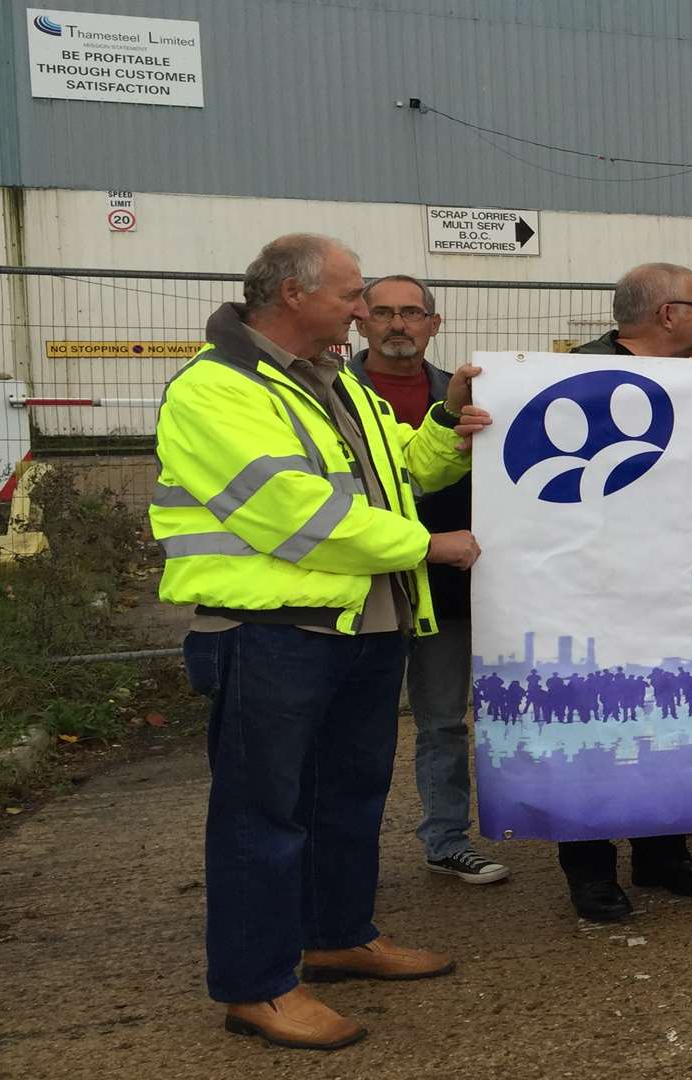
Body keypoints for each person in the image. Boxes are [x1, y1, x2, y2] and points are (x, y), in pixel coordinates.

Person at [153, 234, 490, 1051]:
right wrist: (427, 547)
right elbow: (291, 511)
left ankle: (338, 935)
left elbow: (401, 470)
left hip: (358, 629)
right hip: (272, 633)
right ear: (294, 295)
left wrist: (448, 422)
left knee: (347, 799)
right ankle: (257, 987)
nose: (364, 311)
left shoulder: (331, 381)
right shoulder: (218, 389)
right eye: (352, 296)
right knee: (262, 815)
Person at [561, 263, 692, 920]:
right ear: (669, 314)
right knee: (599, 721)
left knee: (667, 715)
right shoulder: (574, 384)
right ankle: (589, 868)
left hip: (674, 580)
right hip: (594, 585)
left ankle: (663, 853)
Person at [349, 274, 509, 886]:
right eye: (383, 312)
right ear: (361, 322)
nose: (398, 324)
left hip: (446, 585)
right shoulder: (335, 394)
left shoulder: (465, 394)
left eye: (411, 313)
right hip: (360, 587)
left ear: (433, 325)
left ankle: (445, 841)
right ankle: (345, 857)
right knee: (356, 728)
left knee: (443, 720)